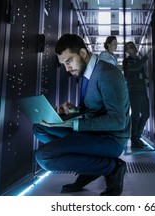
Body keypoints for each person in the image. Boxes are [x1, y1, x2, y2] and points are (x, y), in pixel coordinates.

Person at [32, 33, 130, 196]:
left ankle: (111, 168)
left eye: (69, 61)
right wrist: (68, 111)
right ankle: (91, 165)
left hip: (110, 139)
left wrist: (73, 124)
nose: (67, 68)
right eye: (64, 64)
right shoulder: (86, 74)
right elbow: (90, 111)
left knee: (44, 157)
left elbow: (118, 121)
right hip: (92, 132)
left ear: (83, 53)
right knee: (40, 127)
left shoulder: (107, 74)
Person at [123, 41, 150, 149]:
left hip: (142, 89)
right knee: (135, 115)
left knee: (146, 114)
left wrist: (144, 78)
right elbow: (135, 68)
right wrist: (146, 56)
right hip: (134, 90)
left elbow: (139, 72)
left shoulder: (137, 60)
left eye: (134, 46)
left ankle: (137, 137)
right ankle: (135, 139)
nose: (134, 48)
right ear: (127, 51)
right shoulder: (127, 61)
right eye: (131, 47)